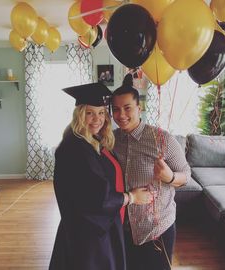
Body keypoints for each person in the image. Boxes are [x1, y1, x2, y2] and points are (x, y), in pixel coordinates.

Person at [49, 82, 152, 270]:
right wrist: (132, 197)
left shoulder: (89, 141)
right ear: (80, 114)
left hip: (93, 229)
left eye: (102, 112)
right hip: (89, 234)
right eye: (90, 113)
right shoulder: (76, 149)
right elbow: (98, 198)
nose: (97, 119)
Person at [111, 74, 191, 270]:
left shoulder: (162, 139)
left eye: (127, 108)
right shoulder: (111, 140)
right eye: (116, 109)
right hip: (123, 228)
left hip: (156, 230)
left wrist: (170, 177)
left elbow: (186, 175)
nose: (121, 115)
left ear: (139, 108)